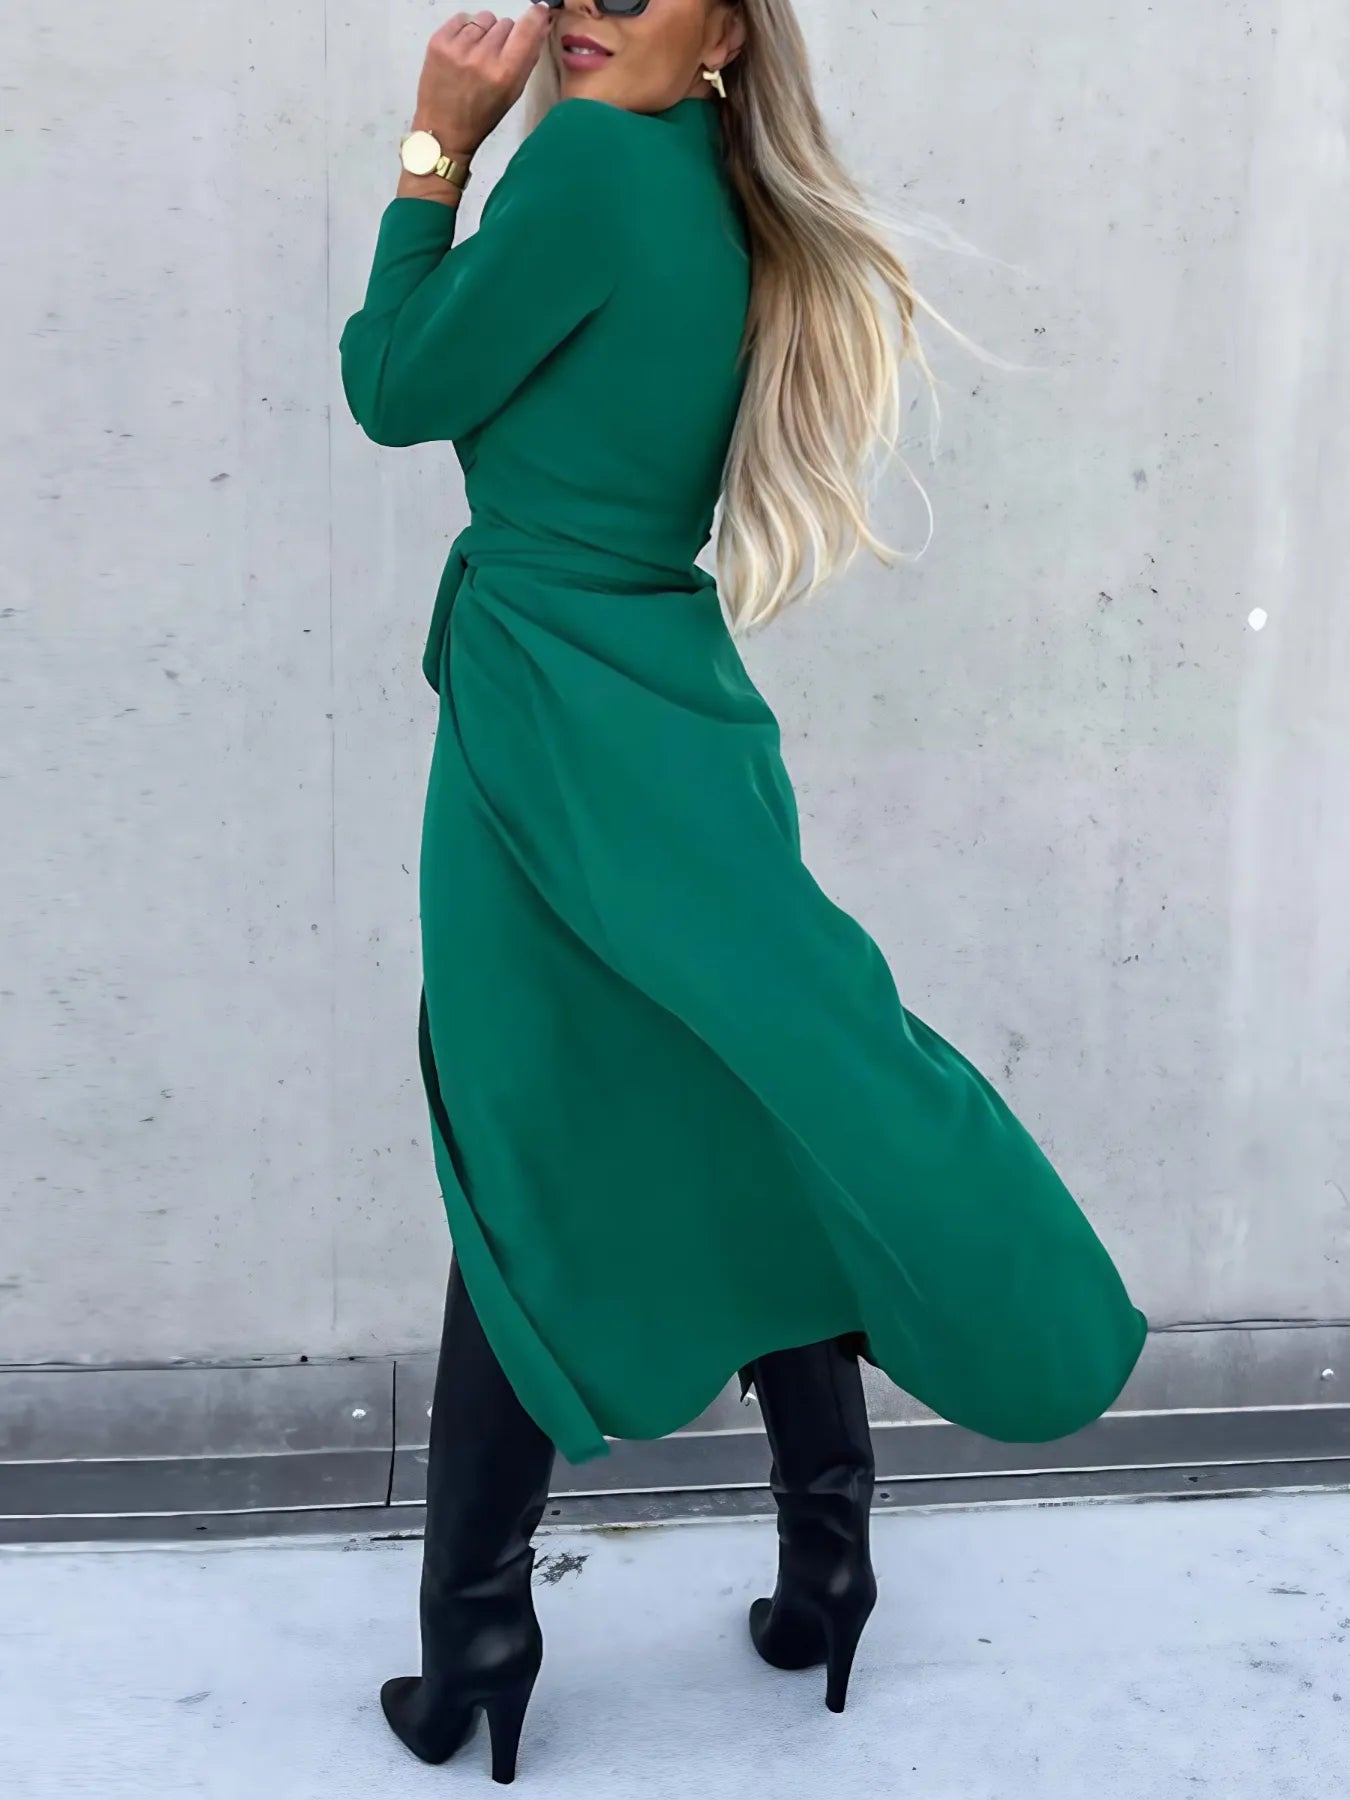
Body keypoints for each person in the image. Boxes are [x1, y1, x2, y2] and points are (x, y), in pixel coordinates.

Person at [338, 0, 1148, 1782]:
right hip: (671, 712)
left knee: (522, 1147)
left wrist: (434, 148)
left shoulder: (586, 177)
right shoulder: (714, 181)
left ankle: (475, 1641)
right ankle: (825, 1559)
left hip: (548, 722)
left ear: (720, 25)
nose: (582, 9)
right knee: (751, 1100)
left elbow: (392, 391)